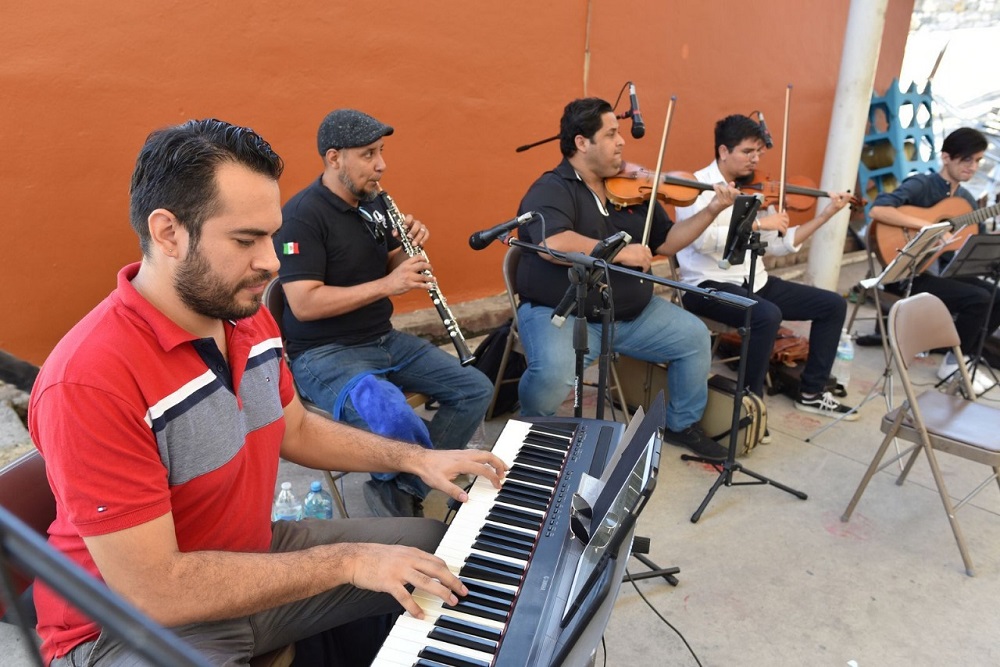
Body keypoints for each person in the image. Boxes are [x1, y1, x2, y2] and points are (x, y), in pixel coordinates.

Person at [27, 118, 507, 667]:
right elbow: (155, 590)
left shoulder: (244, 315)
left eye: (272, 235)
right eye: (245, 239)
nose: (272, 262)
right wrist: (348, 561)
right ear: (168, 233)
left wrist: (419, 458)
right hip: (121, 625)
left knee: (439, 550)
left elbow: (295, 428)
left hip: (250, 555)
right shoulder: (90, 379)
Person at [273, 109, 494, 517]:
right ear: (334, 157)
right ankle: (412, 478)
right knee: (393, 416)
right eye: (369, 154)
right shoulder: (301, 218)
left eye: (381, 151)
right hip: (326, 353)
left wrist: (406, 254)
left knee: (474, 388)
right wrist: (388, 285)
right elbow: (303, 304)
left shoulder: (373, 204)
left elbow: (387, 268)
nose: (381, 164)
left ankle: (403, 484)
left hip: (382, 338)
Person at [514, 97, 743, 462]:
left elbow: (666, 242)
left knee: (694, 337)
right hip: (564, 312)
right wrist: (618, 251)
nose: (622, 142)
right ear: (581, 142)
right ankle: (529, 436)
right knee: (552, 377)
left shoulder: (630, 189)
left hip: (633, 315)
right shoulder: (553, 187)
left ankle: (682, 424)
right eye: (611, 134)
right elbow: (550, 243)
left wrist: (713, 209)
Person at [673, 114, 857, 421]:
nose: (755, 159)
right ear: (723, 151)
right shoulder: (695, 186)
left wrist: (826, 215)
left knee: (833, 305)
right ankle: (749, 403)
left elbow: (779, 244)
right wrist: (758, 223)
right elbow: (701, 241)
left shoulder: (757, 190)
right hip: (705, 285)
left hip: (754, 281)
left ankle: (811, 392)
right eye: (747, 152)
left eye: (758, 152)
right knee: (766, 314)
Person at [869, 126, 1000, 394]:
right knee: (979, 298)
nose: (973, 167)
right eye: (967, 160)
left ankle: (962, 356)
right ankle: (952, 364)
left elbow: (972, 242)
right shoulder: (922, 184)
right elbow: (879, 209)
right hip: (909, 273)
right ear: (946, 157)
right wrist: (928, 227)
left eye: (977, 161)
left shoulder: (966, 200)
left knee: (996, 295)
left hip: (944, 271)